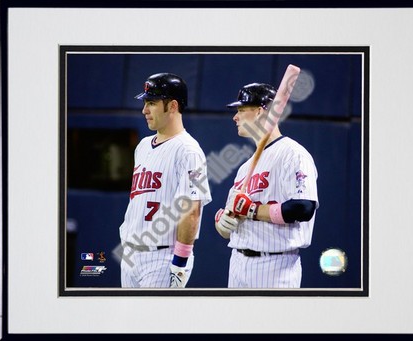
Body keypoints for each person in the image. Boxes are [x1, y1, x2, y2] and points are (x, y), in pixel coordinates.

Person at [214, 82, 319, 288]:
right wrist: (224, 222)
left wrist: (252, 210)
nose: (235, 117)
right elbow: (232, 218)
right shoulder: (245, 168)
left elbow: (303, 208)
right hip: (237, 262)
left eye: (242, 110)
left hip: (276, 266)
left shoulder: (293, 153)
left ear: (261, 111)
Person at [119, 72, 212, 288]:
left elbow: (191, 210)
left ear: (172, 106)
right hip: (131, 254)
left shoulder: (189, 151)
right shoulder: (142, 146)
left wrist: (180, 262)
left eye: (151, 103)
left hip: (162, 257)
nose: (144, 110)